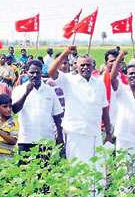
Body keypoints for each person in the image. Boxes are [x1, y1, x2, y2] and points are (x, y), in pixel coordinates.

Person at [48, 45, 112, 174]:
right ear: (76, 66)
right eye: (82, 65)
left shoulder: (99, 83)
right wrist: (66, 52)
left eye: (88, 65)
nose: (85, 68)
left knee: (96, 171)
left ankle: (95, 195)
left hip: (95, 134)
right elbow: (51, 72)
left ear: (93, 66)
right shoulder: (68, 80)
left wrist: (109, 133)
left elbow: (104, 109)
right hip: (75, 133)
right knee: (77, 170)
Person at [109, 50, 135, 197]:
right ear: (126, 76)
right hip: (124, 138)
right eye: (130, 73)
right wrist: (120, 57)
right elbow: (112, 76)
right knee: (124, 170)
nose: (133, 76)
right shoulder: (121, 90)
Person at [11, 60, 64, 154]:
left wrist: (60, 136)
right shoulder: (19, 90)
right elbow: (15, 110)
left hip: (47, 140)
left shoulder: (50, 91)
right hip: (26, 140)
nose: (34, 75)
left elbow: (57, 116)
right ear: (26, 72)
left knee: (47, 167)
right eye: (31, 72)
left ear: (41, 73)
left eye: (37, 72)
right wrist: (26, 94)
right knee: (26, 168)